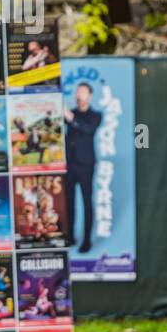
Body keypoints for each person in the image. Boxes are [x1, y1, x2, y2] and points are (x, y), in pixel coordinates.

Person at [64, 82, 102, 252]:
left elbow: (87, 130)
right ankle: (70, 236)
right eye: (78, 92)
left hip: (86, 165)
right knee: (69, 202)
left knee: (87, 202)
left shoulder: (95, 115)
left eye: (83, 92)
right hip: (69, 164)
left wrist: (70, 118)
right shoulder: (70, 113)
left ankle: (87, 240)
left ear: (90, 96)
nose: (79, 95)